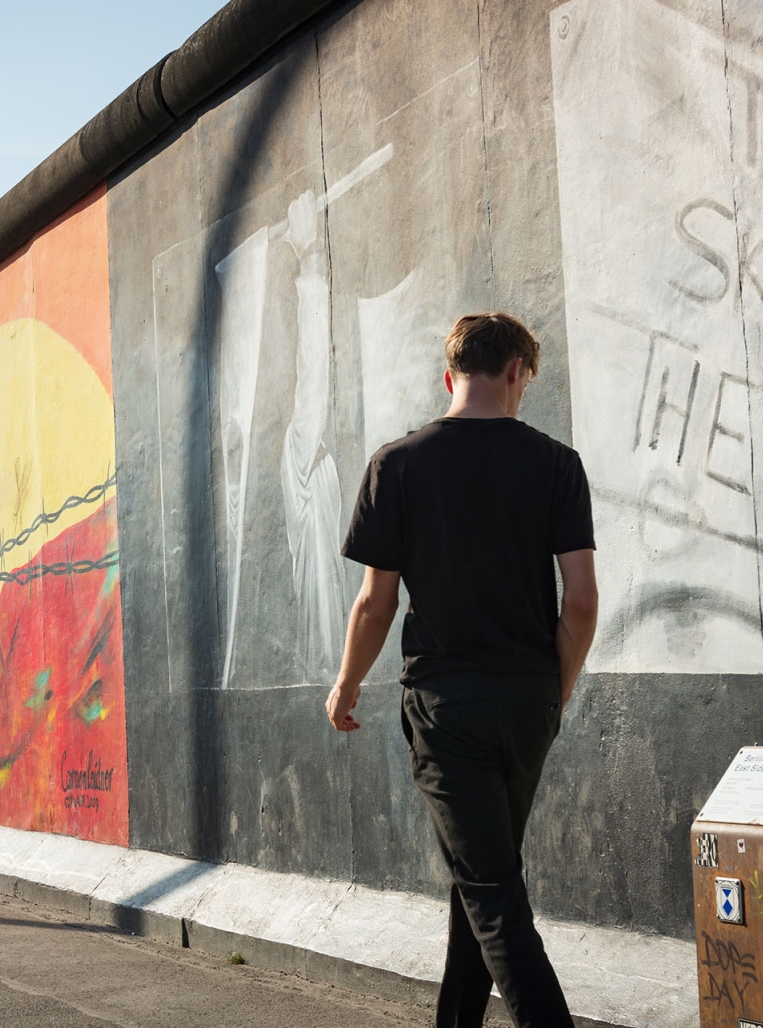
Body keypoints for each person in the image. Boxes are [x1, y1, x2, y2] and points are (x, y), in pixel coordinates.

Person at [326, 312, 598, 1028]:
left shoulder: (398, 464)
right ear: (516, 372)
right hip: (528, 702)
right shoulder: (556, 463)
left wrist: (348, 683)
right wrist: (553, 696)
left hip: (447, 712)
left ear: (450, 376)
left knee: (491, 894)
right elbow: (582, 604)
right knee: (480, 880)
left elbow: (375, 605)